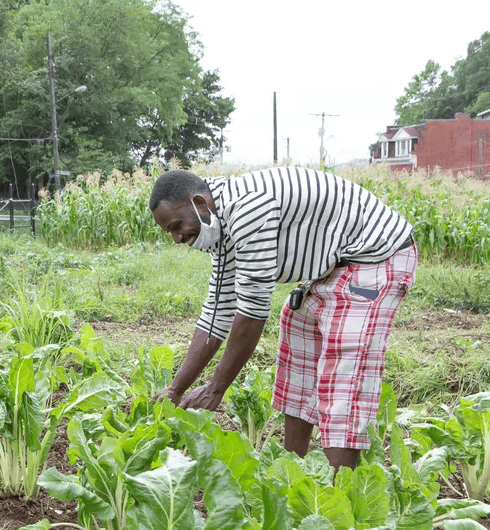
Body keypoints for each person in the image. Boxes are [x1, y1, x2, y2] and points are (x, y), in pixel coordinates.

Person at [149, 167, 417, 471]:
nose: (175, 237)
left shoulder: (246, 210)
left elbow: (251, 311)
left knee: (345, 363)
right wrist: (175, 390)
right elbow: (217, 311)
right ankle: (294, 472)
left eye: (176, 225)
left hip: (376, 259)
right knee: (297, 322)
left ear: (199, 203)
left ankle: (340, 496)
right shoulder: (220, 221)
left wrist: (215, 388)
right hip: (335, 269)